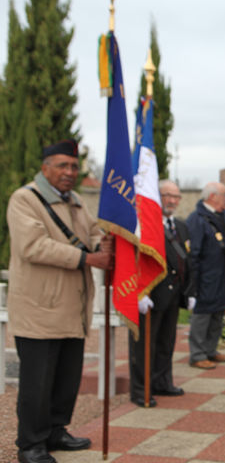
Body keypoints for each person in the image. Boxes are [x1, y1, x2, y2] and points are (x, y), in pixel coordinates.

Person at [6, 139, 114, 463]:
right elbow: (34, 247)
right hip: (40, 310)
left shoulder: (77, 201)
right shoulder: (25, 199)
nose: (69, 172)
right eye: (62, 165)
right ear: (45, 168)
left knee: (67, 378)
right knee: (37, 383)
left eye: (74, 166)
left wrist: (104, 241)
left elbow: (92, 232)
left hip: (72, 309)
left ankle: (56, 430)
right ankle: (30, 444)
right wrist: (87, 259)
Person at [128, 179, 195, 407]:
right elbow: (135, 259)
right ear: (157, 197)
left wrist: (190, 292)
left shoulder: (180, 226)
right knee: (145, 345)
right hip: (150, 294)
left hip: (173, 295)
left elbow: (187, 260)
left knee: (166, 343)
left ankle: (162, 382)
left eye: (176, 197)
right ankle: (140, 390)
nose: (173, 201)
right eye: (168, 195)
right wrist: (139, 292)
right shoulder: (146, 224)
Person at [186, 181, 225, 369]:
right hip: (205, 278)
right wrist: (194, 283)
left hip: (222, 277)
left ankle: (210, 350)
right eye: (224, 195)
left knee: (217, 315)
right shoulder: (197, 219)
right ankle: (197, 354)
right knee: (203, 316)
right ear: (212, 196)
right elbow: (194, 254)